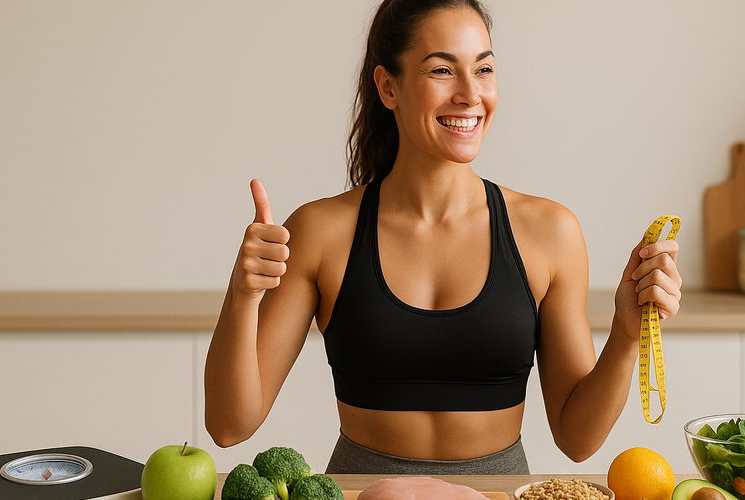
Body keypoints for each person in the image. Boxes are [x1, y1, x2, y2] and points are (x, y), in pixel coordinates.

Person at [204, 0, 682, 475]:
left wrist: (626, 335)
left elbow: (577, 440)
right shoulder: (320, 232)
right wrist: (243, 294)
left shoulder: (549, 232)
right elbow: (229, 426)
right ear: (388, 87)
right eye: (442, 71)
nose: (470, 94)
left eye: (484, 69)